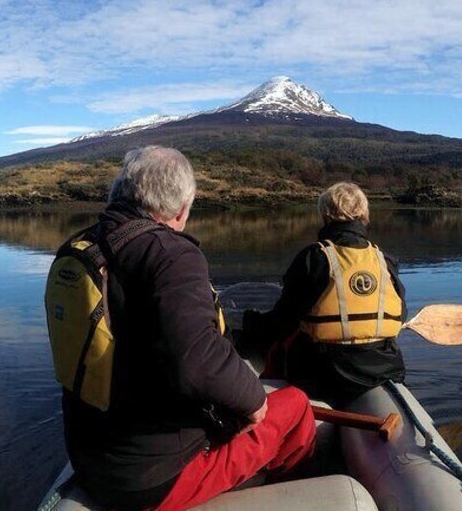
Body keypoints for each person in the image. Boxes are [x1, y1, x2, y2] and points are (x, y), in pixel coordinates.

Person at [55, 146, 315, 510]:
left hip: (93, 459)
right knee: (296, 404)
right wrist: (255, 402)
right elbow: (197, 360)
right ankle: (292, 491)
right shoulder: (171, 254)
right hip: (153, 479)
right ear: (181, 208)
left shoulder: (81, 247)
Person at [244, 182, 408, 405]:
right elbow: (401, 316)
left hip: (323, 373)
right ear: (363, 214)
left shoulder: (314, 258)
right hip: (384, 370)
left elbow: (284, 321)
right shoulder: (385, 260)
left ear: (326, 215)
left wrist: (251, 324)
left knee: (271, 341)